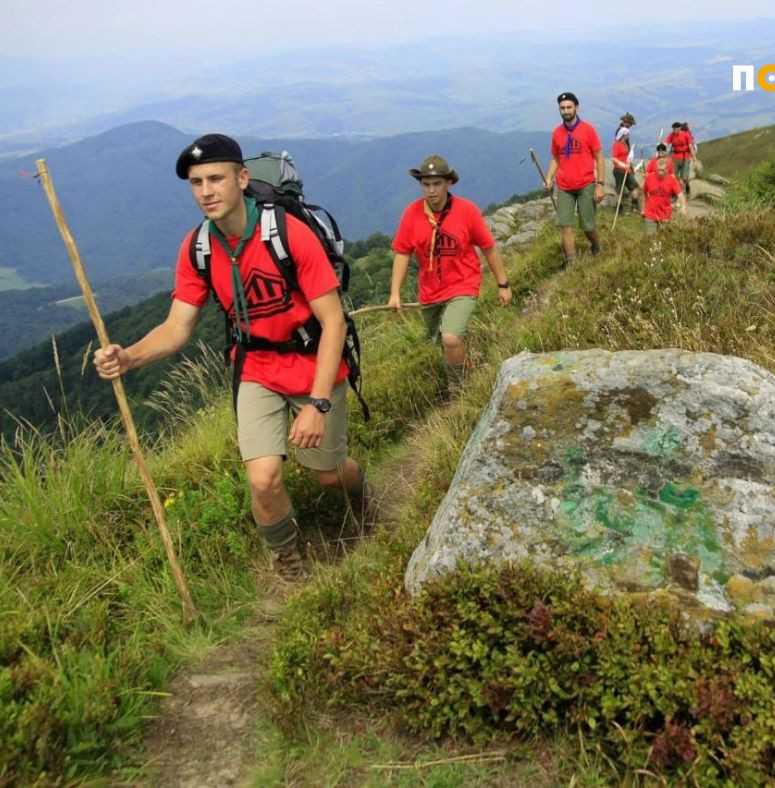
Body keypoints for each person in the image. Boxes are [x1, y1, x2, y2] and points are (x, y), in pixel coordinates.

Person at [93, 133, 368, 582]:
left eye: (216, 178)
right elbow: (176, 326)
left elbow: (333, 322)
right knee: (263, 479)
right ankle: (289, 564)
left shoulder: (288, 234)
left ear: (242, 179)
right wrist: (129, 358)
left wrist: (318, 406)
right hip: (256, 368)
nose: (206, 191)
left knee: (329, 475)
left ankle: (360, 495)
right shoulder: (197, 248)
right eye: (196, 182)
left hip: (312, 361)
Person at [388, 155, 511, 395]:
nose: (431, 190)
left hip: (463, 283)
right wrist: (395, 293)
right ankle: (466, 362)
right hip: (430, 291)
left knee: (451, 338)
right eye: (426, 184)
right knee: (441, 342)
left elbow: (488, 247)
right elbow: (402, 253)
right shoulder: (411, 214)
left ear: (448, 184)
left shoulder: (467, 211)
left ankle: (459, 390)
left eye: (437, 184)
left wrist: (503, 284)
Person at [543, 92, 605, 266]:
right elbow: (556, 158)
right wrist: (549, 178)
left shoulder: (588, 130)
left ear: (576, 107)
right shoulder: (557, 133)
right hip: (564, 186)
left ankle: (597, 247)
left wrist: (600, 185)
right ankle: (572, 263)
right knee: (565, 225)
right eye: (562, 108)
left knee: (588, 226)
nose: (566, 111)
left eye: (569, 107)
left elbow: (599, 156)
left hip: (586, 184)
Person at [642, 152, 687, 234]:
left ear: (667, 170)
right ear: (656, 168)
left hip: (665, 214)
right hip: (650, 213)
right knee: (650, 238)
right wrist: (643, 208)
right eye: (658, 170)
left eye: (662, 170)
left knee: (662, 238)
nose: (660, 172)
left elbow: (680, 195)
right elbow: (644, 193)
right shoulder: (649, 178)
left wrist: (683, 207)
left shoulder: (672, 180)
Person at [611, 114, 641, 215]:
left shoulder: (624, 137)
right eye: (630, 124)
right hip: (620, 167)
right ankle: (619, 208)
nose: (630, 126)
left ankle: (634, 206)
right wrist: (623, 164)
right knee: (620, 190)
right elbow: (615, 155)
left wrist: (630, 164)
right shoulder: (620, 134)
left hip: (626, 165)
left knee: (633, 187)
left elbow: (626, 150)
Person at [666, 121, 694, 197]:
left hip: (685, 156)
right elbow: (666, 142)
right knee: (673, 176)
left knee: (684, 177)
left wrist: (694, 157)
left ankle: (687, 187)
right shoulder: (672, 135)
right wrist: (662, 146)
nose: (674, 130)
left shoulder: (686, 135)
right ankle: (677, 192)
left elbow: (690, 146)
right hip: (675, 157)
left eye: (675, 129)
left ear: (679, 128)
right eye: (673, 129)